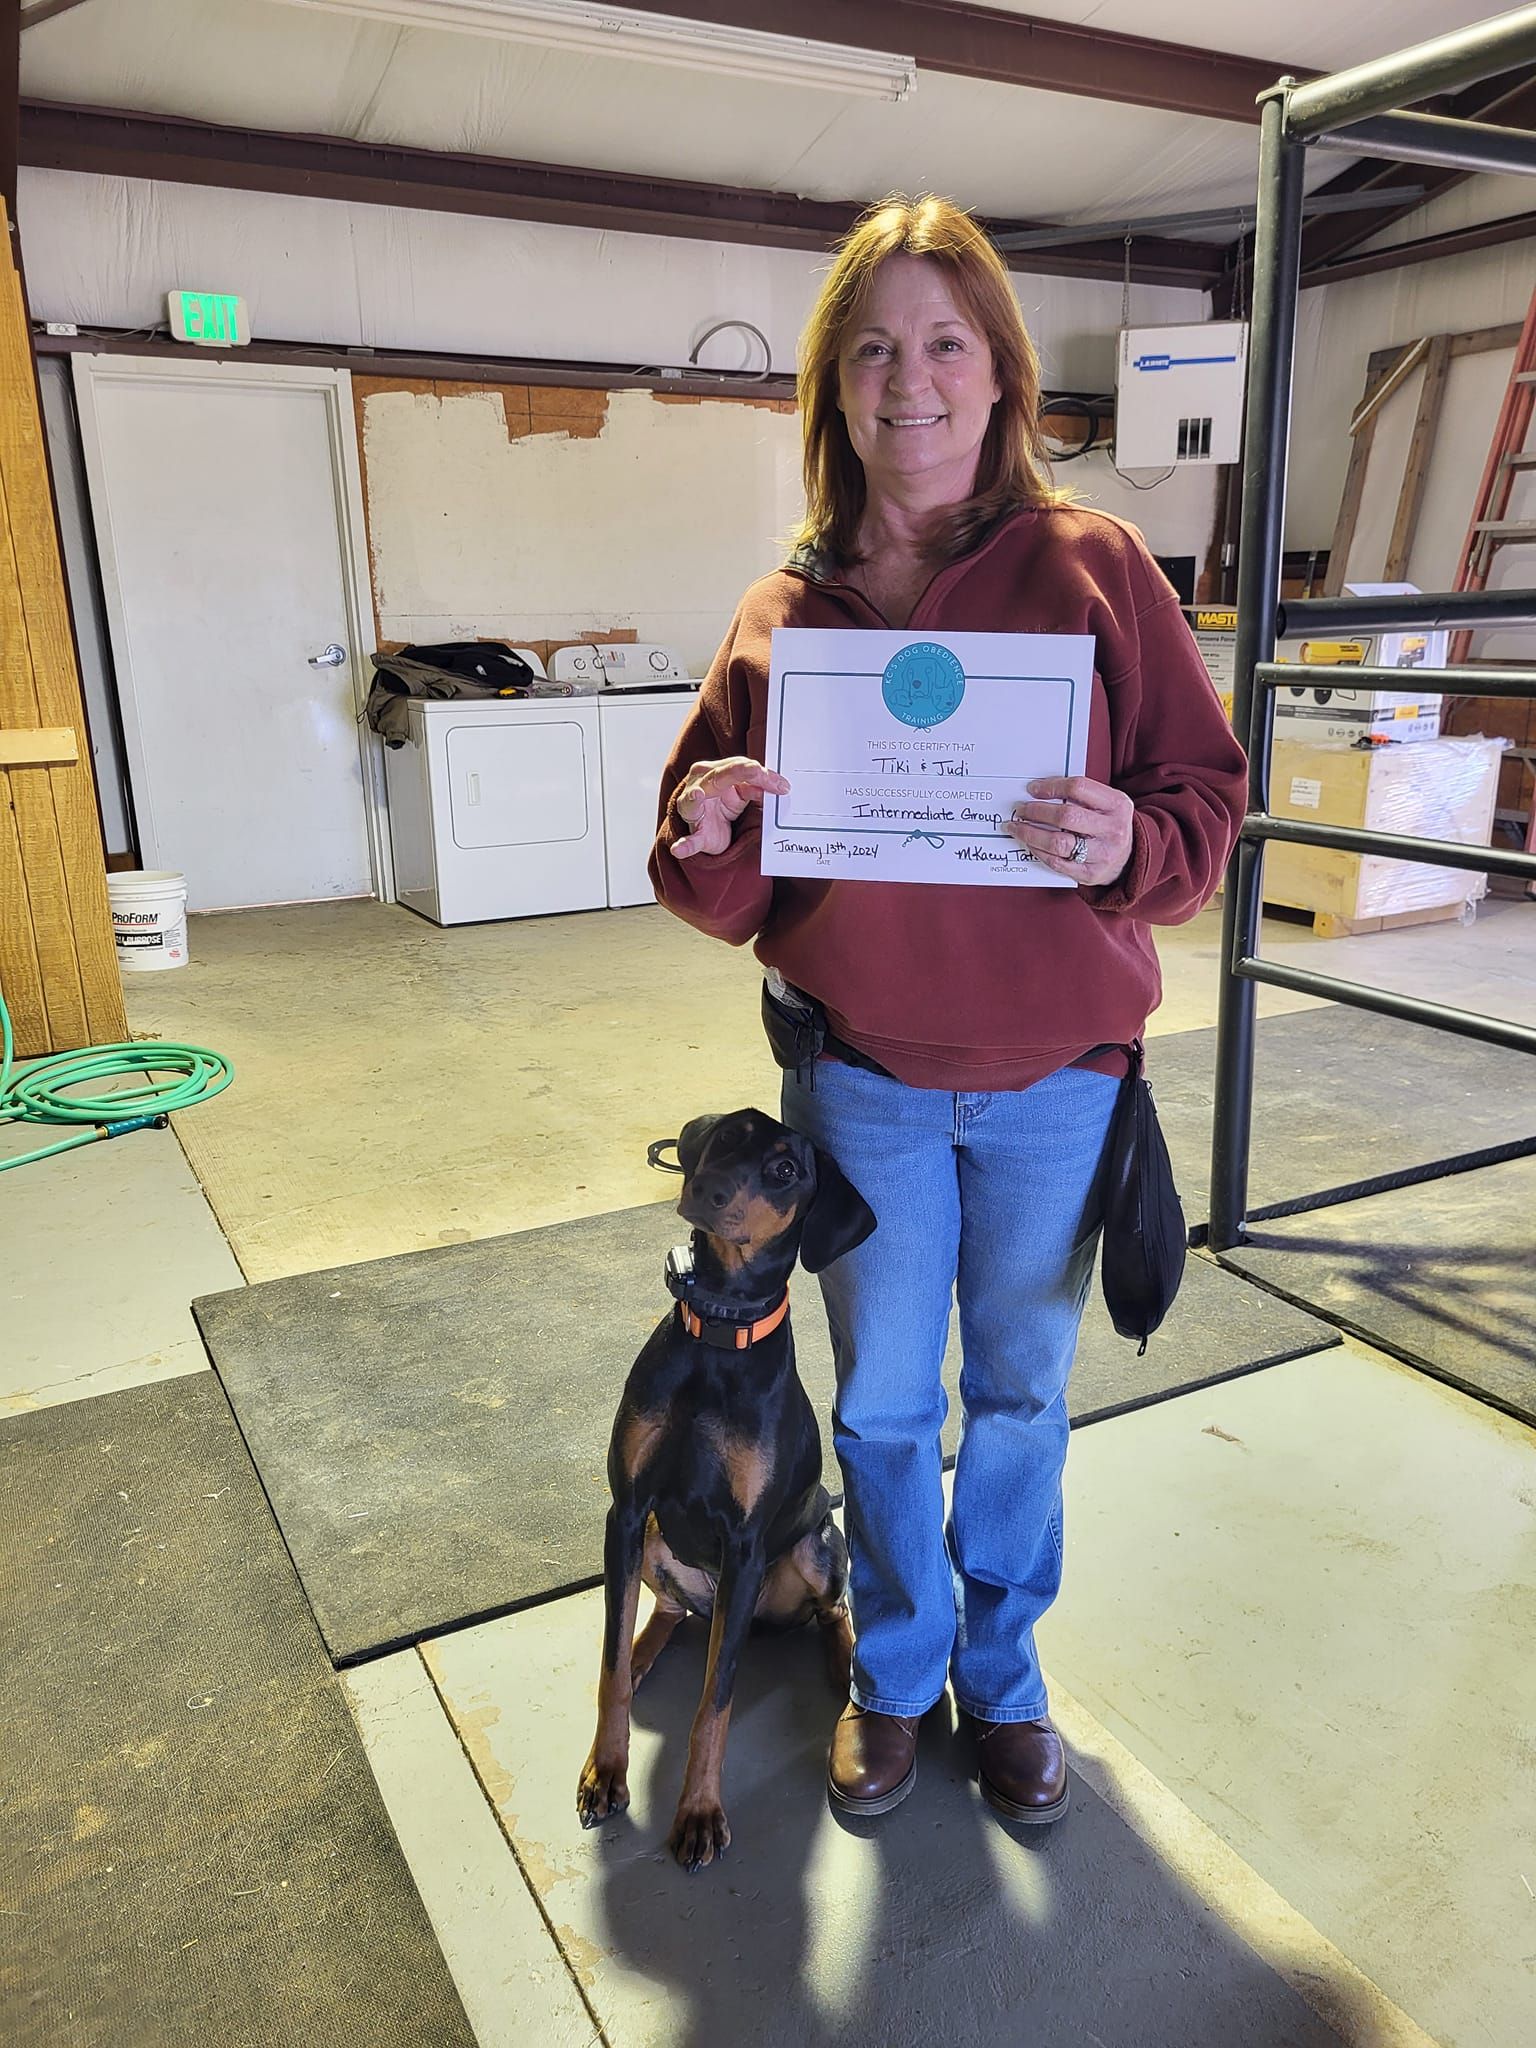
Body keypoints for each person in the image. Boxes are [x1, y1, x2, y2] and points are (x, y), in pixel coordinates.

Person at [648, 195, 1246, 1826]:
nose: (910, 381)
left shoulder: (1098, 570)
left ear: (999, 372)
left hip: (1059, 1084)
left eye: (944, 344)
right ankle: (898, 1672)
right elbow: (724, 881)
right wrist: (702, 831)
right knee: (891, 1402)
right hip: (869, 1093)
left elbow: (1203, 799)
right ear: (834, 391)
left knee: (1019, 1398)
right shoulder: (786, 612)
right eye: (872, 353)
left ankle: (1008, 1680)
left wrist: (1138, 838)